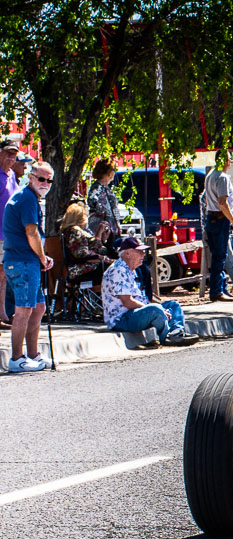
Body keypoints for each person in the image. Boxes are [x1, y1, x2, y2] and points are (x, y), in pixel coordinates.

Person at [2, 160, 55, 372]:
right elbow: (31, 232)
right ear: (31, 178)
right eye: (41, 179)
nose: (45, 184)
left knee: (38, 307)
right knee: (23, 310)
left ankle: (33, 354)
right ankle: (17, 359)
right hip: (22, 261)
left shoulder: (28, 197)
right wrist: (42, 257)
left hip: (27, 260)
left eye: (49, 180)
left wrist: (40, 257)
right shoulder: (27, 199)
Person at [101, 236, 198, 346]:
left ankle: (176, 333)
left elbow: (140, 299)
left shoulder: (130, 270)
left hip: (134, 314)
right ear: (127, 253)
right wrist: (156, 309)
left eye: (143, 251)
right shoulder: (118, 270)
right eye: (139, 252)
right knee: (155, 309)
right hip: (121, 319)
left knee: (173, 305)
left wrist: (158, 309)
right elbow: (127, 302)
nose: (143, 254)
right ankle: (166, 336)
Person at [202, 148, 233, 302]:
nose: (230, 161)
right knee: (220, 256)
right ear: (225, 160)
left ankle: (221, 288)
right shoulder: (222, 177)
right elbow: (222, 202)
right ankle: (217, 291)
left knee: (217, 256)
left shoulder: (210, 175)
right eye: (229, 158)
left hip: (210, 217)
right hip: (220, 219)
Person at [60, 201, 113, 286]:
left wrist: (103, 238)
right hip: (82, 268)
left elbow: (96, 248)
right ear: (80, 217)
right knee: (116, 269)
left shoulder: (77, 231)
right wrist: (103, 259)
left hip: (87, 265)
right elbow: (82, 253)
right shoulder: (75, 231)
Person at [0, 139, 19, 327]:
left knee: (3, 275)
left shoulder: (12, 175)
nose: (11, 157)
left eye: (14, 154)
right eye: (8, 152)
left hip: (9, 234)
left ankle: (3, 315)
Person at [86, 159, 121, 246]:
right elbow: (91, 200)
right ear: (107, 172)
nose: (114, 172)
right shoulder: (97, 187)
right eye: (113, 169)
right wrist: (101, 211)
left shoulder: (107, 188)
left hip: (112, 226)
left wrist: (117, 224)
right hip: (101, 227)